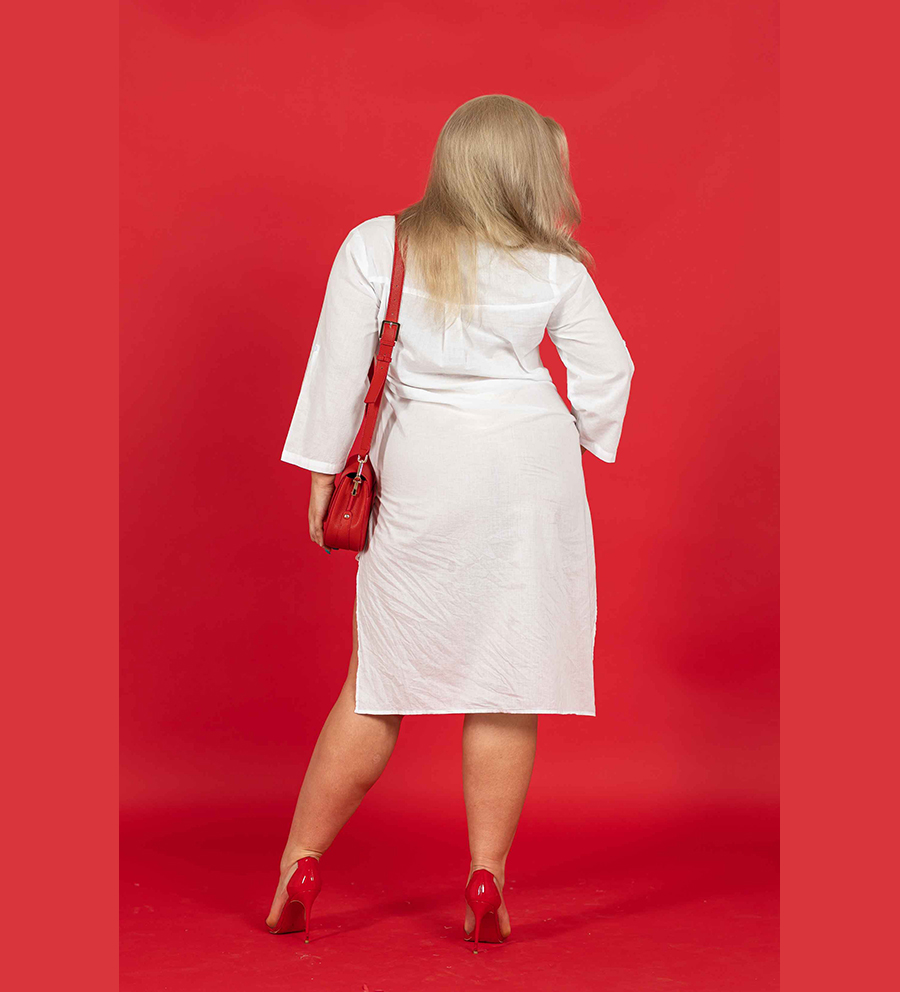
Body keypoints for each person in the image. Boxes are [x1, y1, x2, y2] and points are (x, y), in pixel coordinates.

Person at [268, 94, 635, 950]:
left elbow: (337, 372)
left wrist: (321, 474)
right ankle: (485, 879)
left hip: (423, 470)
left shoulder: (379, 245)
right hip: (528, 472)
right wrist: (574, 441)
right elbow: (610, 370)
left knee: (378, 679)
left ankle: (299, 867)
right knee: (508, 679)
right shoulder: (553, 265)